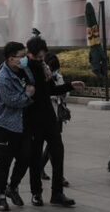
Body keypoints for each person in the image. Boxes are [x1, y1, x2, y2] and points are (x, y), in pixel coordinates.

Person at [24, 36, 82, 207]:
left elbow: (51, 91)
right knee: (35, 158)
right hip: (33, 121)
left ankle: (57, 193)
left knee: (58, 154)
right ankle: (36, 193)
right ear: (30, 54)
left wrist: (71, 85)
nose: (42, 60)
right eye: (38, 57)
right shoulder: (24, 70)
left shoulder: (44, 68)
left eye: (43, 57)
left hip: (49, 118)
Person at [0, 41, 35, 212]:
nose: (25, 59)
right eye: (22, 56)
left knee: (25, 158)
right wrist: (28, 94)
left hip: (22, 124)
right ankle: (0, 196)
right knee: (3, 163)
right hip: (5, 126)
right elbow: (13, 101)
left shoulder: (23, 70)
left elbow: (33, 80)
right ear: (11, 59)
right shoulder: (3, 78)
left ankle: (13, 187)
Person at [40, 53, 71, 186]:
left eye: (56, 68)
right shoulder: (41, 77)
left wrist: (62, 94)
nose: (54, 71)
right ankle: (58, 176)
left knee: (54, 145)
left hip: (57, 116)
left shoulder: (58, 77)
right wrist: (53, 94)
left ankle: (40, 168)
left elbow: (64, 93)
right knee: (54, 146)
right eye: (52, 68)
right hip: (45, 116)